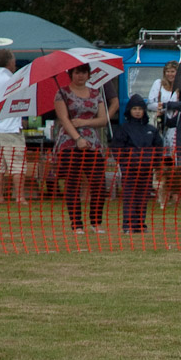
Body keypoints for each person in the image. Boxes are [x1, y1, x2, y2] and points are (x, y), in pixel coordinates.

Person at [54, 63, 109, 234]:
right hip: (69, 143)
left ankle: (96, 222)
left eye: (84, 72)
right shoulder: (62, 93)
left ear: (89, 75)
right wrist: (77, 139)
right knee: (72, 184)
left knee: (99, 184)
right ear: (71, 74)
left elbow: (103, 119)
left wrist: (85, 123)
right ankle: (76, 224)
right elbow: (63, 118)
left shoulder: (95, 93)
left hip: (93, 143)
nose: (81, 76)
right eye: (77, 72)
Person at [111, 94, 163, 233]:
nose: (138, 111)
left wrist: (156, 164)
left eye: (140, 108)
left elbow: (158, 148)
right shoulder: (124, 129)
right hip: (130, 169)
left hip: (146, 169)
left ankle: (140, 223)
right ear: (129, 110)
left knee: (143, 196)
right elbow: (117, 148)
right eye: (134, 108)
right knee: (130, 196)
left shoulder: (151, 129)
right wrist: (124, 162)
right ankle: (128, 224)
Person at [0, 48, 27, 204]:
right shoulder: (14, 80)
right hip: (11, 129)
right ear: (10, 62)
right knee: (17, 165)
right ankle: (20, 197)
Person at [147, 61, 180, 147]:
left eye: (172, 71)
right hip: (161, 121)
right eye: (167, 71)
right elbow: (150, 104)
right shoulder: (158, 84)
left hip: (176, 123)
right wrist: (163, 107)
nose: (170, 74)